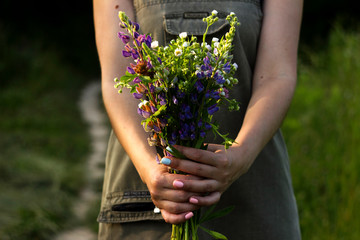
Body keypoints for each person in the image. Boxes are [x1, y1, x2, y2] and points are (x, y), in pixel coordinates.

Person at [93, 0, 303, 239]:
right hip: (150, 187)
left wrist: (240, 155)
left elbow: (278, 74)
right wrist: (151, 170)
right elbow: (117, 78)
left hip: (251, 181)